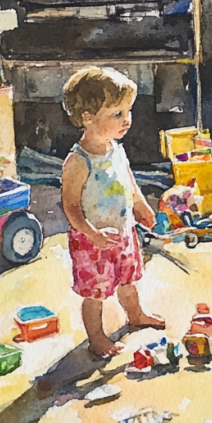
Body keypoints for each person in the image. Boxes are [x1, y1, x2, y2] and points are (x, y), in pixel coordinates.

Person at [62, 67, 164, 357]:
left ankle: (136, 314)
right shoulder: (78, 162)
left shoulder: (116, 149)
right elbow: (70, 207)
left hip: (123, 230)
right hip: (91, 240)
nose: (127, 119)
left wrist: (140, 204)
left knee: (128, 279)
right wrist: (91, 233)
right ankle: (96, 337)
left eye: (128, 111)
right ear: (88, 118)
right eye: (117, 113)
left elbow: (127, 180)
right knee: (95, 293)